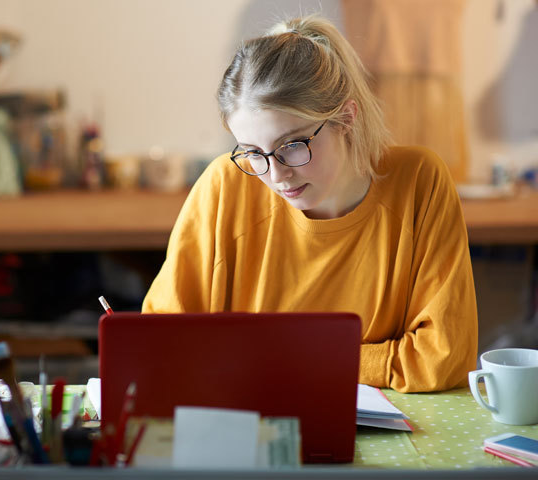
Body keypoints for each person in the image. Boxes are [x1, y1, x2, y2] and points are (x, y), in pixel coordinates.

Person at [142, 15, 477, 393]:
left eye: (292, 145)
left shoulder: (419, 181)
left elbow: (443, 358)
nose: (276, 175)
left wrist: (276, 358)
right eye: (253, 152)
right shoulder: (225, 185)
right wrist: (367, 359)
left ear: (345, 119)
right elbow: (161, 341)